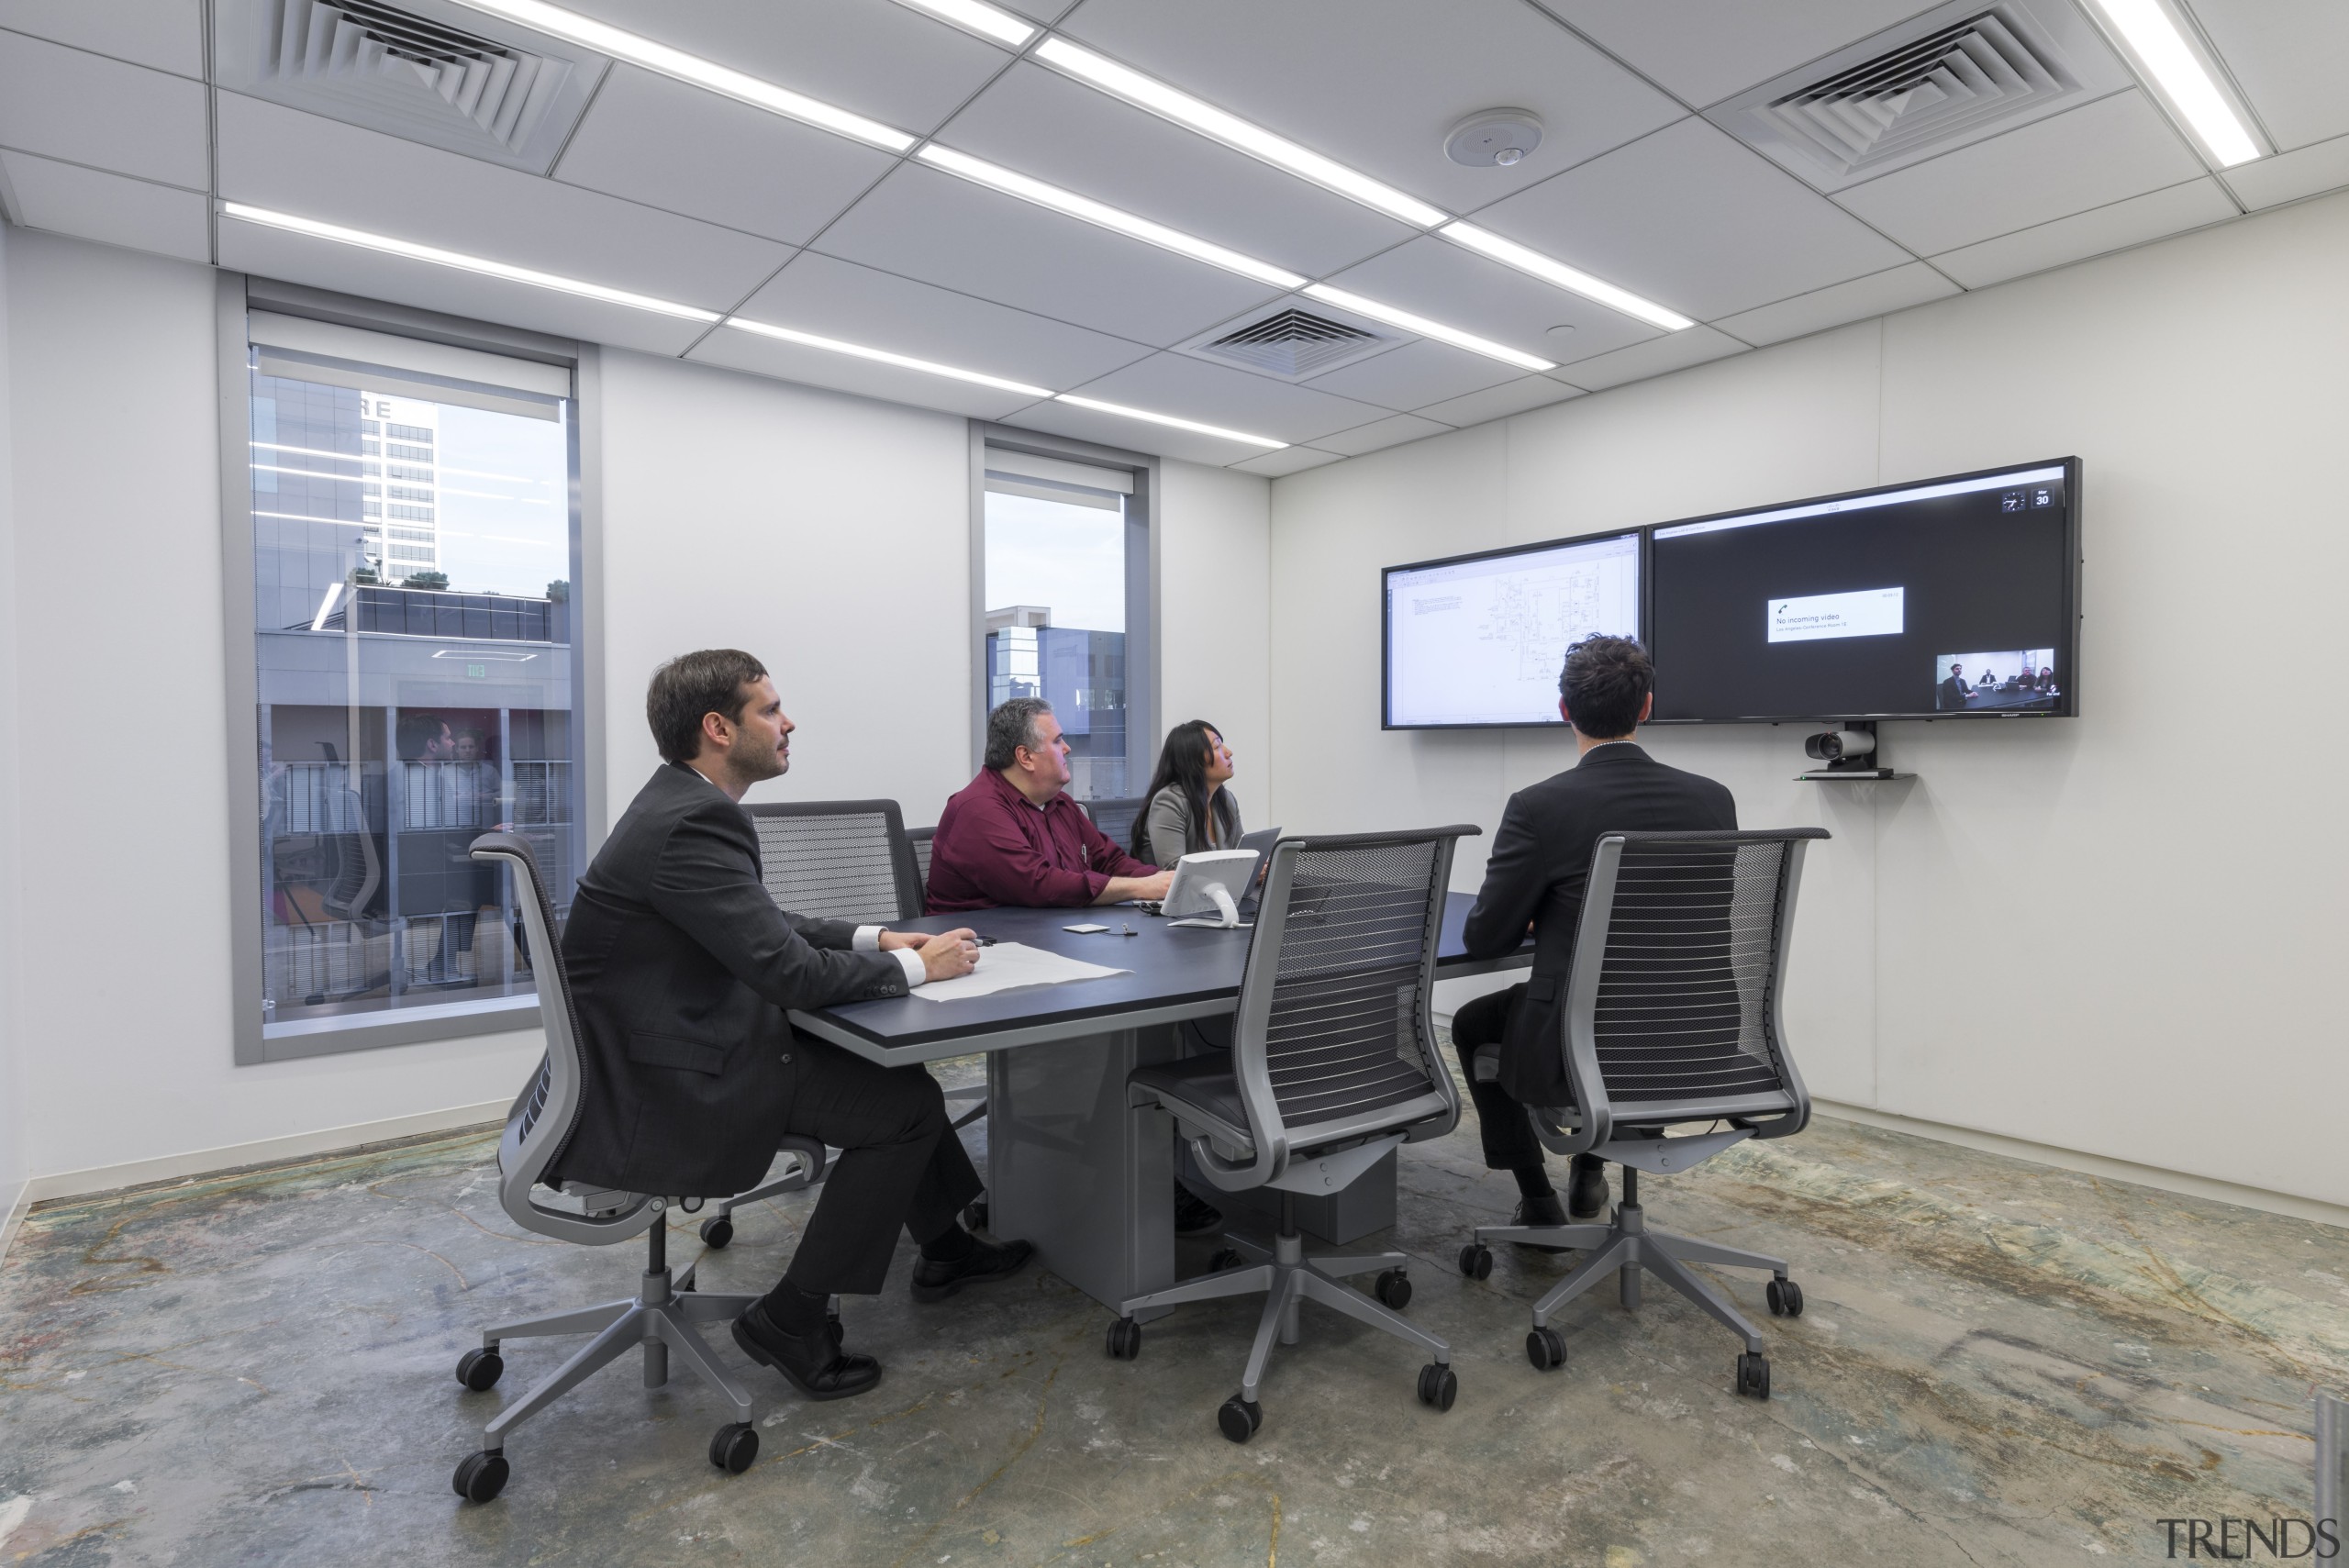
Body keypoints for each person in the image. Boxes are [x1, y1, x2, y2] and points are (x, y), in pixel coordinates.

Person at [556, 650, 1033, 1404]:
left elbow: (766, 924)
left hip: (662, 1042)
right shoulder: (692, 821)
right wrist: (921, 969)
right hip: (669, 1079)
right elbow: (789, 974)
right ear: (718, 727)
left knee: (895, 1076)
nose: (789, 722)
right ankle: (793, 1317)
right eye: (769, 709)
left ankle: (943, 1247)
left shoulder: (680, 802)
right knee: (902, 1110)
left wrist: (879, 939)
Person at [1454, 636, 1737, 1240]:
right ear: (1647, 707)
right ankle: (1589, 1164)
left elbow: (1485, 937)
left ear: (1564, 710)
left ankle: (1537, 1198)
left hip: (1577, 1046)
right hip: (1697, 1037)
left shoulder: (1539, 806)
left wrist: (1544, 914)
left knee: (1473, 1023)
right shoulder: (1715, 800)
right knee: (1626, 1013)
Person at [925, 697, 1173, 914]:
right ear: (1026, 757)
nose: (1067, 749)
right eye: (1057, 741)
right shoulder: (977, 809)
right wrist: (1140, 887)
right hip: (983, 947)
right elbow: (1037, 884)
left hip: (1048, 933)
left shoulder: (1059, 803)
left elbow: (1109, 861)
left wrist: (1162, 881)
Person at [1131, 719, 1244, 867]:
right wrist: (1238, 871)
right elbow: (1174, 870)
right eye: (1217, 746)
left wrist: (1255, 869)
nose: (1229, 752)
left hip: (1213, 889)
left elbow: (1241, 854)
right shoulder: (1169, 802)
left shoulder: (1226, 799)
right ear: (1193, 760)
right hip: (1170, 889)